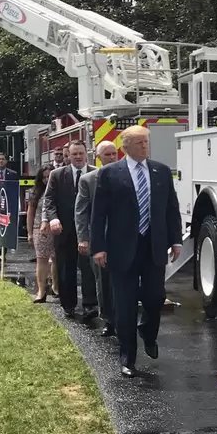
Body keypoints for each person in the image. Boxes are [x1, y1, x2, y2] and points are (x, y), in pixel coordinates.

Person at [91, 125, 182, 378]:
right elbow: (99, 215)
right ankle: (127, 358)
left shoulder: (161, 172)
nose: (145, 146)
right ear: (125, 146)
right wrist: (98, 247)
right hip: (122, 248)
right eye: (140, 142)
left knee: (155, 297)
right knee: (125, 305)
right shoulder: (110, 174)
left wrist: (176, 241)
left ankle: (148, 333)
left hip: (153, 245)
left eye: (146, 142)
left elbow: (170, 209)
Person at [42, 139, 98, 321]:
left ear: (86, 153)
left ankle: (90, 305)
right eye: (74, 154)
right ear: (69, 156)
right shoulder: (57, 175)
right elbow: (49, 200)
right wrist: (53, 219)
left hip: (88, 231)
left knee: (88, 269)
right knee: (66, 269)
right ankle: (69, 305)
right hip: (63, 230)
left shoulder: (95, 174)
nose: (78, 157)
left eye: (81, 153)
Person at [75, 141, 119, 337]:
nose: (111, 157)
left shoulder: (125, 176)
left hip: (124, 238)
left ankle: (124, 318)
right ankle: (109, 320)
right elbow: (81, 212)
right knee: (104, 282)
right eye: (107, 155)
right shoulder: (88, 180)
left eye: (114, 154)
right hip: (99, 239)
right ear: (98, 158)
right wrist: (83, 238)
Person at [26, 165, 59, 303]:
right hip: (40, 229)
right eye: (44, 177)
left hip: (57, 228)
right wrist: (29, 233)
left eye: (49, 176)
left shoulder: (60, 190)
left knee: (57, 259)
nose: (47, 179)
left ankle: (56, 288)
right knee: (41, 259)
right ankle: (41, 291)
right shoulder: (36, 192)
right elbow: (30, 213)